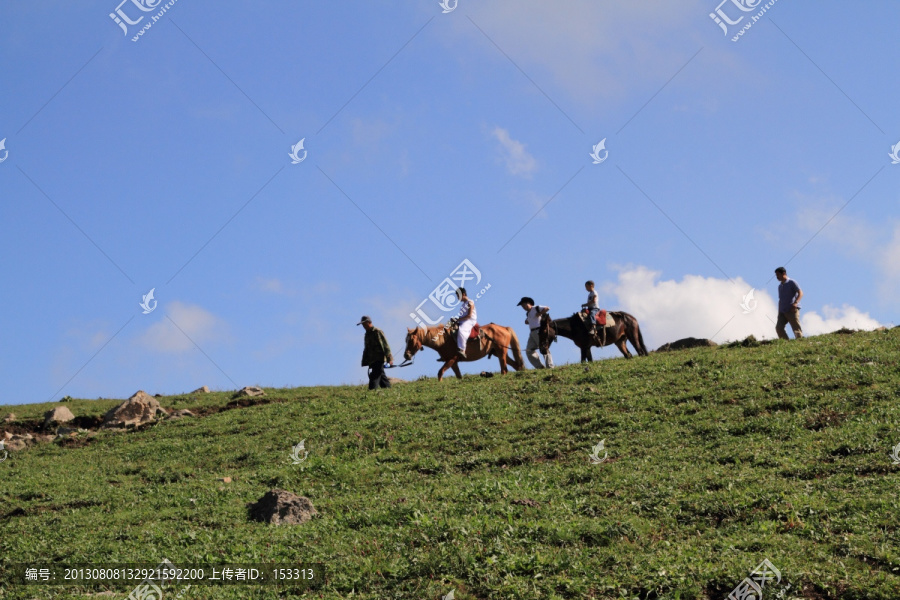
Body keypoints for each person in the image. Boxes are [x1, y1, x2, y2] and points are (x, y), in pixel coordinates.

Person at [517, 297, 553, 369]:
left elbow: (547, 308)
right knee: (529, 351)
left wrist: (539, 313)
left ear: (528, 303)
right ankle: (540, 367)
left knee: (543, 348)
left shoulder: (536, 308)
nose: (523, 307)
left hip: (538, 331)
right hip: (532, 332)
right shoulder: (528, 313)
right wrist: (527, 321)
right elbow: (529, 320)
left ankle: (550, 366)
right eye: (522, 306)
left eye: (524, 305)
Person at [358, 316, 393, 389]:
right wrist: (365, 360)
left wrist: (389, 358)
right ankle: (387, 389)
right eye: (362, 324)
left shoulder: (377, 331)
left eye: (364, 324)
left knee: (374, 375)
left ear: (369, 322)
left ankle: (371, 391)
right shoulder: (367, 335)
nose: (363, 326)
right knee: (381, 376)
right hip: (372, 360)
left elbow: (385, 345)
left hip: (379, 358)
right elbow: (366, 348)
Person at [774, 267, 803, 340]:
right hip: (782, 311)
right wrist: (779, 312)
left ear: (783, 273)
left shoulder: (791, 282)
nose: (777, 277)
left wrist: (795, 303)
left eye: (778, 274)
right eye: (776, 275)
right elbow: (780, 300)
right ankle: (786, 343)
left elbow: (800, 293)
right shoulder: (780, 286)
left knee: (796, 328)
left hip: (792, 310)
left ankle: (800, 342)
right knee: (779, 328)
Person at [455, 288, 477, 358]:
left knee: (461, 330)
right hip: (463, 320)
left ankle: (462, 350)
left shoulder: (470, 302)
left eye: (458, 296)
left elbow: (469, 315)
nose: (458, 298)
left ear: (463, 294)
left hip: (470, 320)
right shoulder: (463, 305)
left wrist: (458, 319)